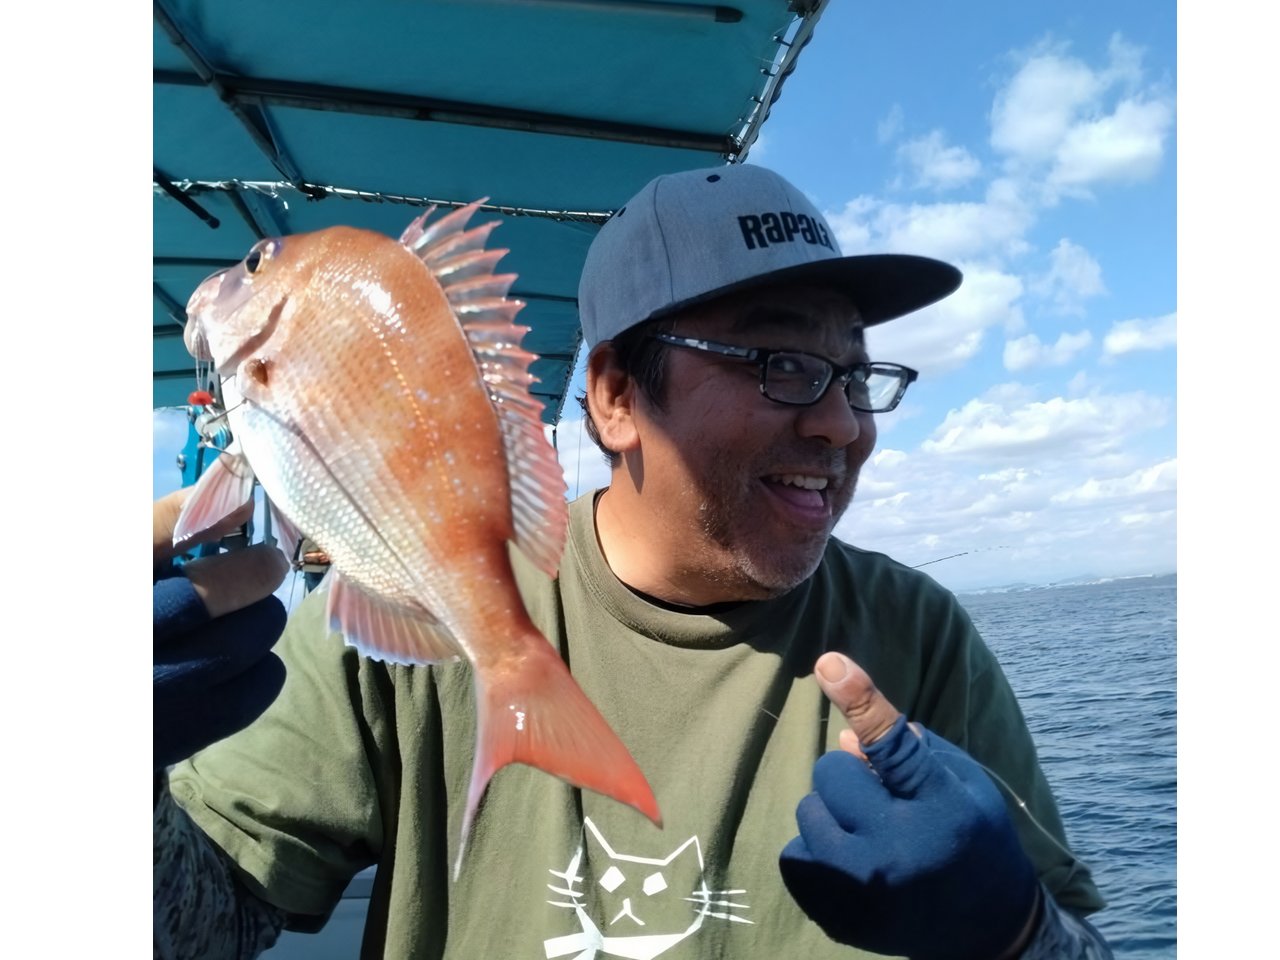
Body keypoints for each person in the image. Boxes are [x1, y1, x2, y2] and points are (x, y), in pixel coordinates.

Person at [154, 163, 1113, 959]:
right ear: (613, 398)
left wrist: (1019, 930)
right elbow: (202, 924)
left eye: (858, 375)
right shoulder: (399, 610)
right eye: (780, 364)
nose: (841, 423)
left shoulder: (919, 634)